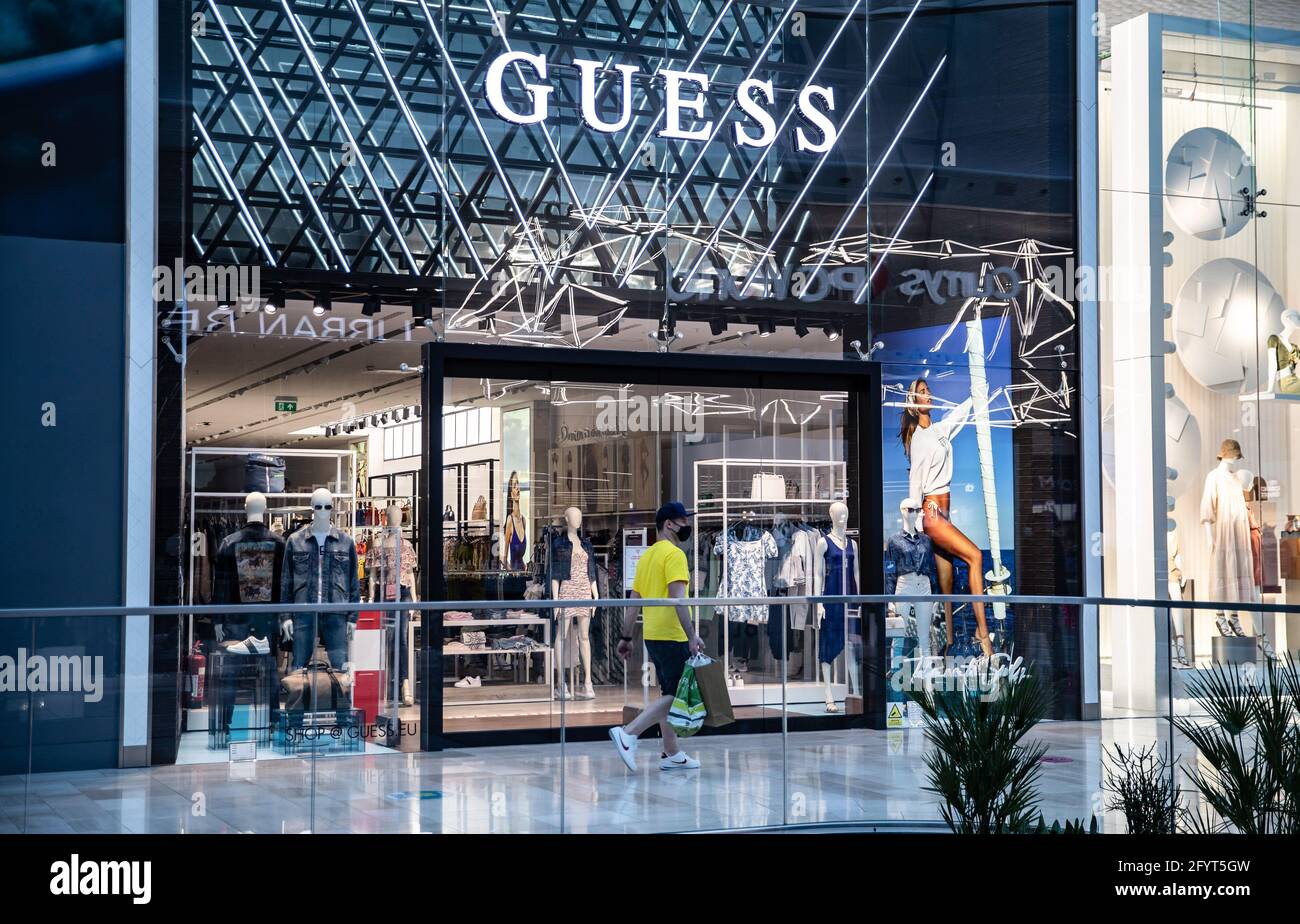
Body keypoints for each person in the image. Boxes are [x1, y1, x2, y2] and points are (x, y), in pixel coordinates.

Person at [608, 502, 704, 771]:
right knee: (675, 696)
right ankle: (629, 733)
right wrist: (692, 636)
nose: (687, 526)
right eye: (683, 521)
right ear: (669, 524)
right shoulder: (674, 555)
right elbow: (678, 601)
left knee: (668, 692)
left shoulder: (647, 557)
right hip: (672, 635)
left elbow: (633, 602)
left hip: (653, 634)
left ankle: (671, 752)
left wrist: (626, 637)